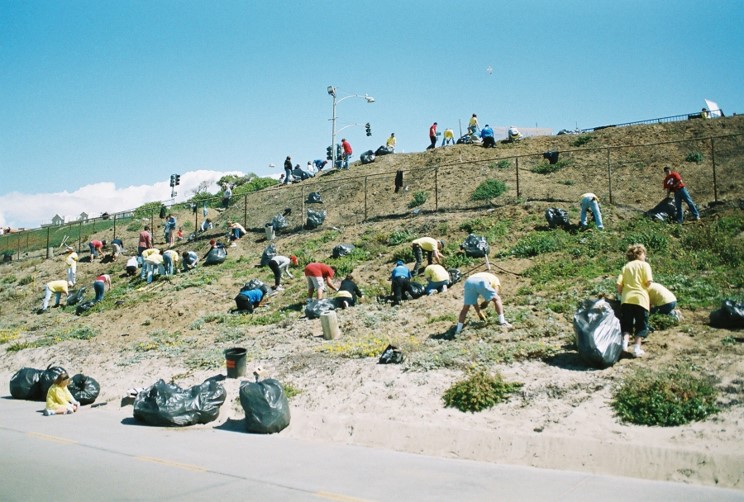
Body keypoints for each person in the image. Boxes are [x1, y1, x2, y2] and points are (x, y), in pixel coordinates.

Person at [616, 243, 653, 357]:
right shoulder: (645, 265)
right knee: (641, 324)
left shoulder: (626, 266)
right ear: (640, 254)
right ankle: (636, 349)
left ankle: (624, 346)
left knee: (626, 324)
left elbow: (619, 284)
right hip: (641, 299)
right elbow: (648, 282)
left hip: (626, 299)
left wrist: (621, 293)